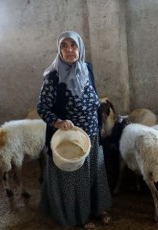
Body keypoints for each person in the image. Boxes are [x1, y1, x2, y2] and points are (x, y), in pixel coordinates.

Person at [37, 31, 112, 229]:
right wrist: (58, 122)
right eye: (64, 46)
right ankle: (80, 215)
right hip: (70, 137)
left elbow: (94, 96)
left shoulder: (87, 68)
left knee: (95, 171)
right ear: (59, 50)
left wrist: (100, 123)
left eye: (73, 45)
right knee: (75, 177)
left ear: (80, 47)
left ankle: (98, 208)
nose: (69, 50)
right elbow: (42, 107)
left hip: (92, 133)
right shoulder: (53, 77)